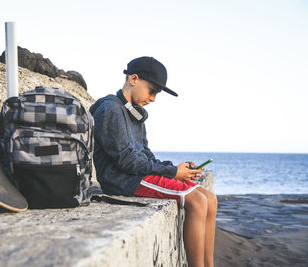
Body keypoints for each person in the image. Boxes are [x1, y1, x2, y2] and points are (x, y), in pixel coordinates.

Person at [89, 56, 217, 267]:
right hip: (122, 179)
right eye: (152, 91)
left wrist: (175, 168)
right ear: (134, 79)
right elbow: (126, 161)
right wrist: (172, 172)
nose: (154, 99)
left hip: (138, 174)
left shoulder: (136, 114)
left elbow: (146, 156)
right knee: (196, 201)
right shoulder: (111, 109)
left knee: (210, 199)